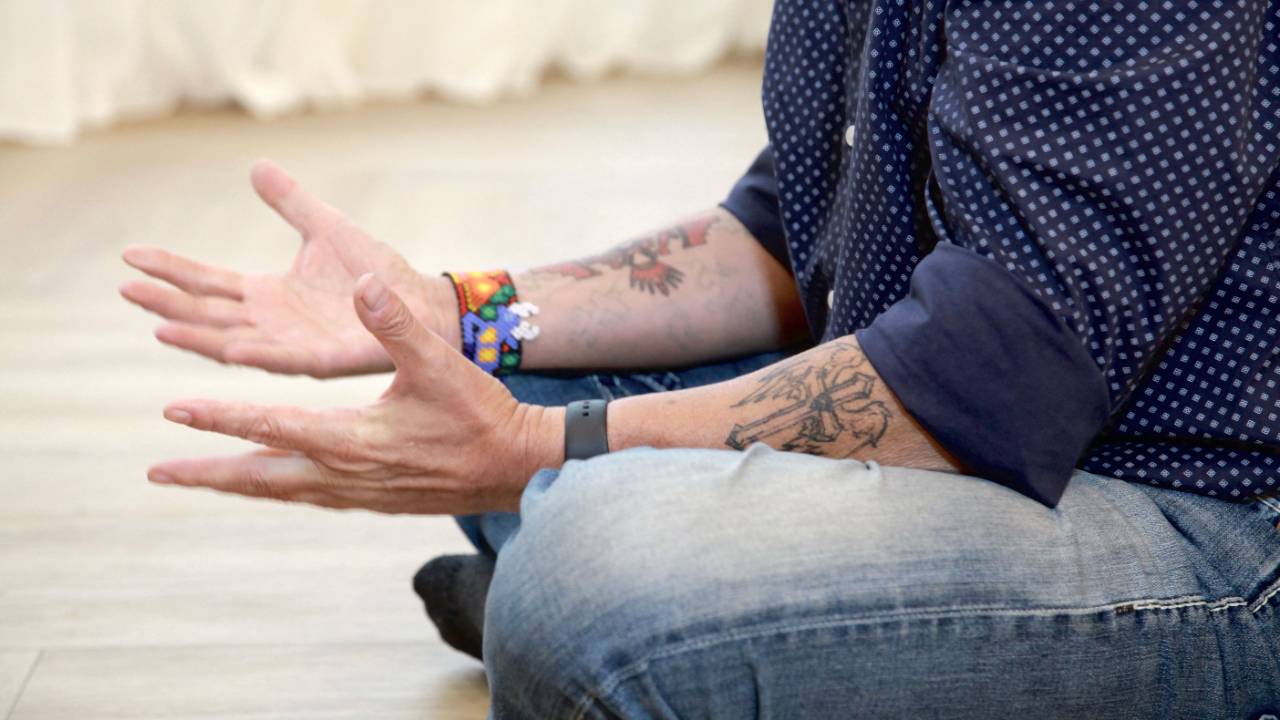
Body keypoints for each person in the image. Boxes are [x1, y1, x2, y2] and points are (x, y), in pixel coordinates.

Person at [120, 0, 1280, 717]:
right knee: (505, 388)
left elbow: (995, 370)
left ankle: (636, 619)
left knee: (585, 576)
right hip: (975, 409)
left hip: (1197, 519)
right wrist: (452, 312)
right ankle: (736, 632)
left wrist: (531, 452)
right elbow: (781, 234)